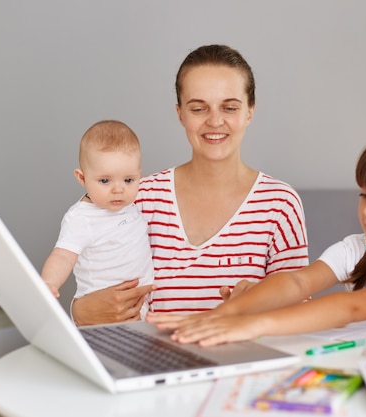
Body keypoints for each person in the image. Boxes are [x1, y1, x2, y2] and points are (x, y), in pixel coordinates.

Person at [147, 127, 366, 346]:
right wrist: (223, 315)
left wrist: (251, 325)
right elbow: (297, 282)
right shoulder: (357, 248)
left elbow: (352, 308)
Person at [71, 44, 309, 325]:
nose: (215, 121)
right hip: (150, 363)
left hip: (241, 363)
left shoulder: (280, 203)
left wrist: (262, 306)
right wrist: (80, 311)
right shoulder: (138, 196)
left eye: (230, 107)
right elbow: (93, 282)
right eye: (198, 108)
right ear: (180, 113)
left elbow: (300, 313)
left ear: (250, 112)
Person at [41, 120, 154, 320]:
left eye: (128, 180)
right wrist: (49, 283)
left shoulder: (129, 204)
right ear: (82, 178)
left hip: (140, 307)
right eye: (104, 181)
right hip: (104, 311)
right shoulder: (81, 218)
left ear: (139, 176)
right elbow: (63, 256)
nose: (118, 189)